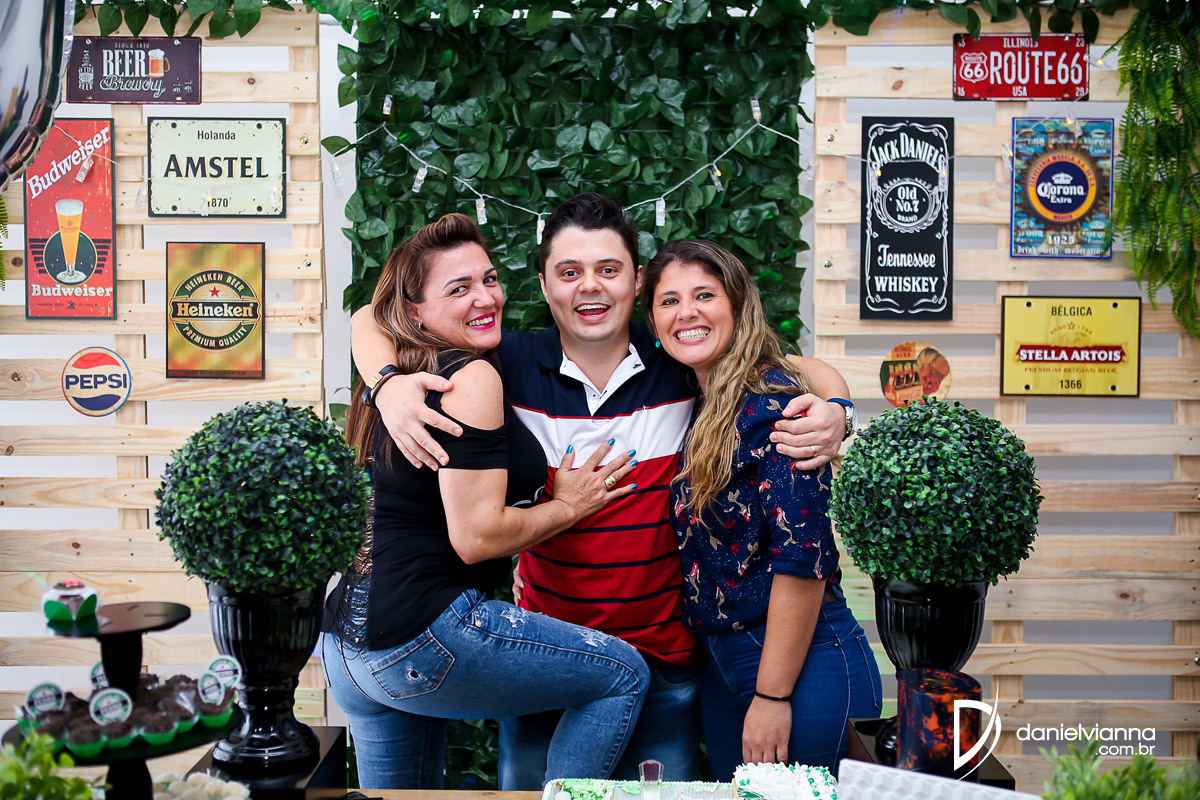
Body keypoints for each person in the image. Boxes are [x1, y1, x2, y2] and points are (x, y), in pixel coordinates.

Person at [349, 193, 858, 787]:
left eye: (608, 270)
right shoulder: (504, 363)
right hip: (544, 666)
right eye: (569, 272)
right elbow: (369, 316)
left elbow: (790, 366)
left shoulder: (680, 357)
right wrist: (386, 383)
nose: (590, 287)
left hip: (663, 665)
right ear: (544, 286)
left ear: (637, 282)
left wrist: (838, 409)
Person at [320, 212, 651, 790]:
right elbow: (476, 539)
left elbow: (368, 316)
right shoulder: (468, 376)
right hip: (422, 635)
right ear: (415, 312)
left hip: (348, 649)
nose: (485, 297)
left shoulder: (401, 377)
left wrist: (383, 380)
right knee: (622, 673)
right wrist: (569, 507)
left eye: (489, 279)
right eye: (459, 288)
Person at [643, 239, 882, 779]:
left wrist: (773, 696)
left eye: (704, 295)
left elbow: (802, 561)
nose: (687, 312)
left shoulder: (774, 408)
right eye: (669, 300)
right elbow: (806, 364)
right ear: (653, 320)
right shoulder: (703, 393)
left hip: (802, 662)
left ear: (737, 304)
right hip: (723, 662)